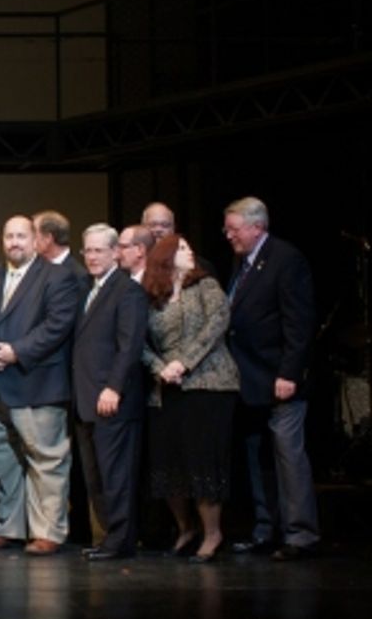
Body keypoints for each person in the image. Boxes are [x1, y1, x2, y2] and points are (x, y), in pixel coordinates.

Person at [223, 196, 319, 560]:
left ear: (256, 226)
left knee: (288, 458)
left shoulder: (285, 259)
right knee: (257, 458)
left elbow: (300, 322)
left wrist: (289, 372)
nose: (228, 235)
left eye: (233, 228)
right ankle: (265, 529)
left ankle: (300, 535)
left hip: (279, 379)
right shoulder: (242, 262)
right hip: (248, 381)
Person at [0, 216, 79, 556]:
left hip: (37, 382)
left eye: (22, 236)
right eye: (9, 236)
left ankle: (48, 530)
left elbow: (58, 325)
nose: (14, 242)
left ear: (37, 240)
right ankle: (11, 526)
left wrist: (16, 352)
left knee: (46, 460)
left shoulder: (57, 276)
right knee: (6, 461)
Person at [141, 234, 240, 563]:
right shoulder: (153, 297)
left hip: (209, 383)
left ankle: (213, 532)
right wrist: (161, 368)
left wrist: (184, 361)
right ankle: (186, 528)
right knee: (169, 464)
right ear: (166, 257)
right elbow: (139, 344)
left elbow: (217, 324)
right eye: (182, 248)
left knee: (203, 461)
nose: (190, 251)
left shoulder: (206, 286)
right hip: (168, 388)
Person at [71, 225, 148, 560]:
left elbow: (129, 346)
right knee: (96, 476)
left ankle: (120, 540)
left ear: (116, 252)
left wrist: (113, 387)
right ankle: (109, 537)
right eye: (87, 251)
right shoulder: (91, 288)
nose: (91, 257)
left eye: (99, 250)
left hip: (110, 399)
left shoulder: (127, 291)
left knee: (116, 474)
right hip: (86, 399)